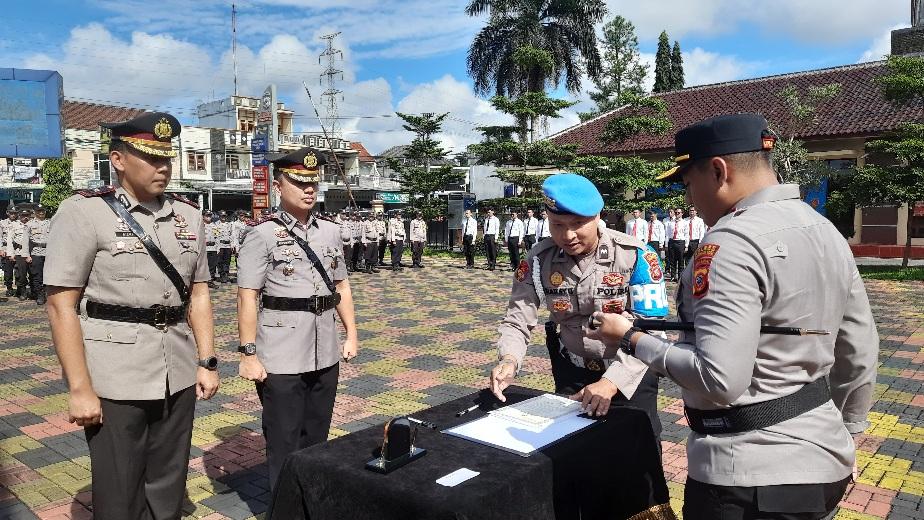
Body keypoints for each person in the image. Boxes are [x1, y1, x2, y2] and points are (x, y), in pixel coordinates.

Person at [590, 113, 879, 520]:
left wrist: (632, 338)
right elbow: (859, 352)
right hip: (824, 459)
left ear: (719, 171)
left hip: (747, 477)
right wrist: (847, 433)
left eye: (689, 184)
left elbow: (718, 379)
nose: (690, 199)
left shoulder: (730, 244)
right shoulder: (824, 229)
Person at [44, 112, 219, 519]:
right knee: (119, 489)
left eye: (167, 158)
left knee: (169, 481)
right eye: (151, 158)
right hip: (114, 375)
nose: (163, 167)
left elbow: (199, 294)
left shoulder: (189, 216)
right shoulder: (84, 213)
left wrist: (207, 361)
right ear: (118, 159)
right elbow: (60, 305)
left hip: (176, 368)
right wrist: (80, 387)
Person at [489, 173, 670, 517]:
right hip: (573, 373)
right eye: (558, 224)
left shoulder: (636, 256)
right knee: (579, 456)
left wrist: (611, 382)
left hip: (630, 375)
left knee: (636, 462)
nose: (568, 235)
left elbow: (654, 331)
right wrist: (509, 359)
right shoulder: (540, 259)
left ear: (599, 216)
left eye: (578, 224)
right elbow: (518, 316)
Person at [236, 147, 358, 491]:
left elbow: (341, 285)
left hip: (325, 349)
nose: (308, 190)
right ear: (279, 186)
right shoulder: (260, 234)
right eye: (299, 182)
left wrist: (351, 333)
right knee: (284, 442)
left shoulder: (330, 232)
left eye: (313, 183)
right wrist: (248, 353)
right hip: (281, 353)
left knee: (318, 438)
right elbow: (247, 296)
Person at [26, 205, 51, 305]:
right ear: (35, 212)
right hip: (36, 252)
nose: (41, 213)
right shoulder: (29, 224)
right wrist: (26, 255)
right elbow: (25, 241)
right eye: (39, 211)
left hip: (48, 252)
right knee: (37, 275)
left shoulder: (50, 223)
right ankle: (39, 294)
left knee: (48, 274)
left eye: (43, 211)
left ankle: (47, 293)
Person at [9, 208, 32, 300]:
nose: (25, 217)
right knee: (21, 274)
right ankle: (22, 291)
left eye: (27, 216)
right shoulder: (14, 225)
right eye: (23, 216)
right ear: (19, 216)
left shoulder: (33, 224)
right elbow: (10, 240)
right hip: (20, 252)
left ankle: (34, 291)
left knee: (33, 273)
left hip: (32, 252)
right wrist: (11, 254)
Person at [664, 207, 687, 281]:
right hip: (672, 242)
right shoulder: (671, 222)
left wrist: (686, 245)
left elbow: (687, 235)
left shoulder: (684, 222)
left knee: (681, 261)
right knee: (672, 260)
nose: (677, 214)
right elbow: (667, 234)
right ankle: (673, 276)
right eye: (676, 212)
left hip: (680, 242)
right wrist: (666, 244)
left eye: (679, 213)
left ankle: (680, 277)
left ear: (682, 213)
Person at [1, 206, 17, 297]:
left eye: (15, 213)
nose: (13, 214)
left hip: (17, 249)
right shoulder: (2, 223)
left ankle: (19, 288)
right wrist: (1, 249)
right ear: (7, 213)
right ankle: (9, 288)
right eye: (11, 213)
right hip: (6, 249)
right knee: (8, 271)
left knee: (18, 271)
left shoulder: (20, 223)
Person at [215, 210, 233, 283]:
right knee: (220, 261)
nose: (223, 217)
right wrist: (217, 247)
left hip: (228, 245)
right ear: (219, 216)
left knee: (227, 260)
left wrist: (232, 245)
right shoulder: (216, 224)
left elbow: (232, 235)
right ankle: (221, 275)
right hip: (220, 245)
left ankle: (226, 274)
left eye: (225, 216)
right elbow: (216, 236)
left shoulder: (229, 224)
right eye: (222, 216)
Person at [203, 211, 220, 287]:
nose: (209, 217)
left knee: (212, 265)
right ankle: (204, 281)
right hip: (205, 248)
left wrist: (218, 247)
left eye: (210, 216)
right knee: (204, 265)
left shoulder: (214, 225)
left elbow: (217, 237)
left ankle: (211, 280)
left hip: (213, 248)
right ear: (203, 216)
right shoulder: (200, 225)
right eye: (207, 216)